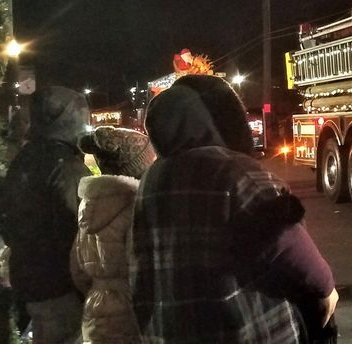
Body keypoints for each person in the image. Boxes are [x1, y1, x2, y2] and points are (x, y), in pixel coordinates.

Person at [131, 76, 338, 343]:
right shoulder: (238, 172)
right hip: (243, 330)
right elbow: (289, 244)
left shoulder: (151, 180)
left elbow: (139, 263)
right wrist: (327, 289)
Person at [0, 86, 92, 344]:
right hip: (60, 284)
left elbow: (8, 220)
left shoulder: (25, 158)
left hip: (30, 278)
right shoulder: (65, 167)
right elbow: (77, 230)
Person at [70, 126, 156, 344]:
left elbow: (77, 270)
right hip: (131, 313)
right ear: (140, 166)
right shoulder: (136, 207)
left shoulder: (90, 206)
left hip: (95, 308)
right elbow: (142, 271)